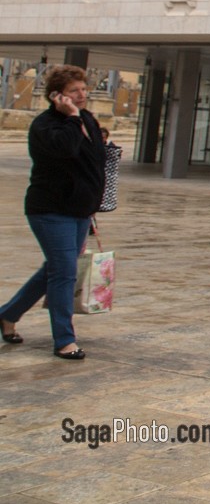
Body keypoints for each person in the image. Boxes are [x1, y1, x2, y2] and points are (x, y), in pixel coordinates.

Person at [1, 65, 106, 360]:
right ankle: (64, 340)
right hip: (50, 210)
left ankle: (7, 315)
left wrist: (93, 205)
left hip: (80, 211)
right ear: (57, 96)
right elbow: (66, 150)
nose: (83, 95)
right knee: (64, 272)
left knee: (55, 269)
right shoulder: (47, 125)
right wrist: (72, 119)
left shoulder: (88, 119)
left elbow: (94, 166)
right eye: (75, 91)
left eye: (84, 89)